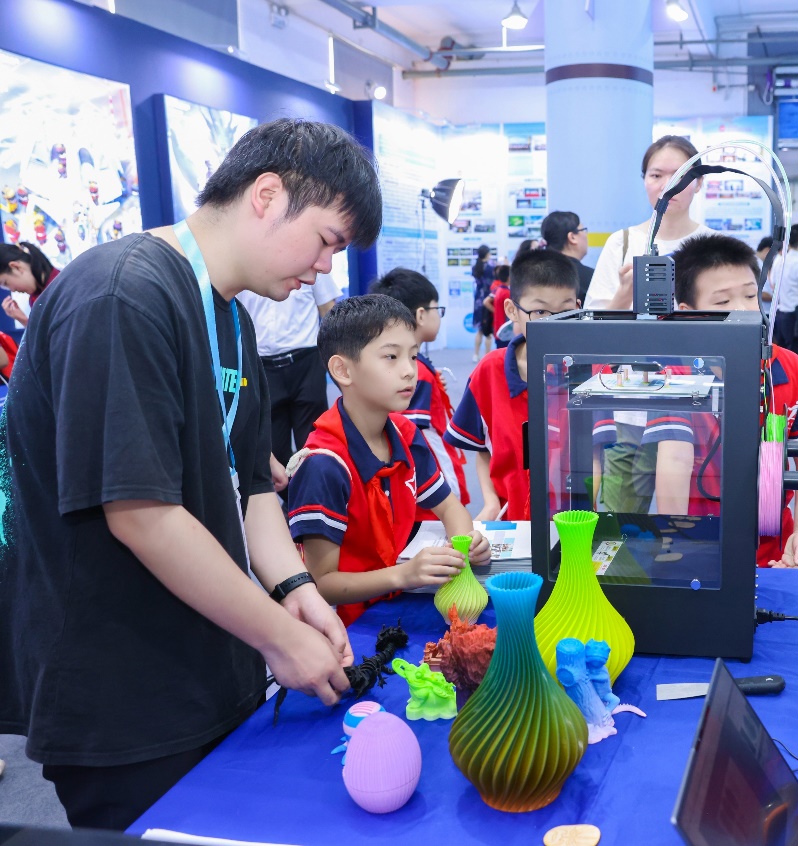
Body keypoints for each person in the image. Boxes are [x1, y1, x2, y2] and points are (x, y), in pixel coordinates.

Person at [0, 118, 370, 829]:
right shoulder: (122, 294)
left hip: (212, 662)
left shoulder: (231, 318)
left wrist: (295, 591)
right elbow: (141, 514)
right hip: (122, 691)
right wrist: (278, 634)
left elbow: (253, 486)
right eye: (326, 240)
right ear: (268, 194)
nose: (325, 267)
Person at [286, 295, 490, 626]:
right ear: (342, 370)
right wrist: (402, 575)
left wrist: (464, 545)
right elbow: (321, 584)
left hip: (402, 603)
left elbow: (450, 508)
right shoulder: (323, 465)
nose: (410, 371)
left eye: (414, 356)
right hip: (348, 626)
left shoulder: (406, 434)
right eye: (391, 357)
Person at [660, 233, 798, 567]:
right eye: (722, 301)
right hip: (697, 544)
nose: (742, 309)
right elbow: (675, 458)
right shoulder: (675, 375)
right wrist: (676, 542)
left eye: (751, 295)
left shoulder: (791, 370)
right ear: (688, 313)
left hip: (775, 546)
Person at [446, 249, 579, 520]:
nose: (554, 323)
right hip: (510, 522)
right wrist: (491, 502)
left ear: (578, 307)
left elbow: (597, 456)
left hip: (574, 523)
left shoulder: (589, 372)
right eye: (540, 311)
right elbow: (483, 449)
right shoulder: (489, 372)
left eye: (566, 312)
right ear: (512, 310)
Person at [368, 268, 470, 506]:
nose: (439, 316)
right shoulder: (416, 373)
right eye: (438, 309)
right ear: (421, 315)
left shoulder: (410, 368)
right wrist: (447, 493)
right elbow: (419, 439)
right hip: (430, 492)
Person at [237, 267, 339, 494]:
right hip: (263, 366)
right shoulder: (249, 265)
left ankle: (316, 500)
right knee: (274, 448)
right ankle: (293, 500)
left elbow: (328, 311)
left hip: (306, 361)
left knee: (312, 441)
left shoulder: (312, 263)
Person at [585, 136, 714, 310]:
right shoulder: (621, 243)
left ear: (698, 183)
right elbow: (594, 321)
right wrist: (625, 294)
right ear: (644, 180)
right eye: (656, 175)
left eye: (681, 175)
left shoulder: (717, 245)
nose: (668, 185)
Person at [0, 240, 59, 328]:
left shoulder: (62, 288)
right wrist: (23, 320)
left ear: (16, 267)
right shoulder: (35, 299)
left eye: (6, 283)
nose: (12, 290)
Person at [541, 210, 593, 304]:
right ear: (572, 237)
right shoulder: (591, 278)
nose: (586, 235)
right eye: (583, 230)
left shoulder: (533, 272)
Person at [470, 245, 495, 362]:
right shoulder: (490, 268)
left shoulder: (475, 267)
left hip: (478, 300)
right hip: (488, 300)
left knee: (480, 329)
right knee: (488, 330)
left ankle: (475, 355)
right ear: (487, 254)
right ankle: (487, 356)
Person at [487, 264, 513, 348]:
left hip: (498, 329)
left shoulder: (499, 289)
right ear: (509, 277)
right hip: (505, 332)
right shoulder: (506, 293)